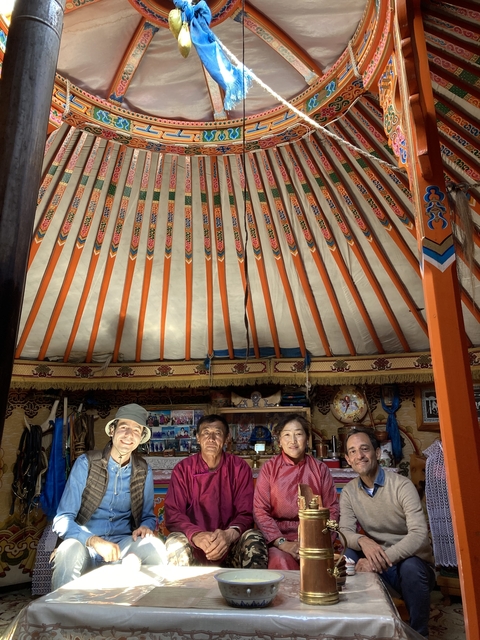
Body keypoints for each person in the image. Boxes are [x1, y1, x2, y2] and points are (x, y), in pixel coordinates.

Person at [51, 403, 167, 590]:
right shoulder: (86, 464)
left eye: (136, 430)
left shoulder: (144, 471)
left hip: (123, 545)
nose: (129, 435)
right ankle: (62, 616)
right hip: (85, 545)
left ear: (141, 438)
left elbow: (147, 516)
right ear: (112, 431)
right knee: (67, 551)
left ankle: (148, 614)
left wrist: (146, 527)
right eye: (123, 428)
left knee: (156, 549)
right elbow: (62, 519)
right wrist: (94, 541)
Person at [339, 428, 435, 638]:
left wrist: (379, 560)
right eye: (353, 452)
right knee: (349, 556)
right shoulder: (348, 492)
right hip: (380, 558)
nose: (359, 456)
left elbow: (419, 534)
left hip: (410, 562)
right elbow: (344, 532)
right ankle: (358, 627)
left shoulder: (402, 486)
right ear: (347, 459)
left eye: (364, 449)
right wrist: (363, 540)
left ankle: (419, 634)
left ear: (377, 452)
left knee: (410, 567)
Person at [164, 414, 268, 568]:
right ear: (198, 438)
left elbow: (245, 513)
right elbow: (173, 513)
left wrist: (229, 535)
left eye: (218, 433)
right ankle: (183, 591)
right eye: (206, 433)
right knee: (174, 543)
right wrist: (197, 535)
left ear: (227, 438)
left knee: (254, 538)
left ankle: (251, 591)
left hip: (230, 545)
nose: (211, 438)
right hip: (195, 544)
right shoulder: (183, 469)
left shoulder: (239, 468)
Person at [254, 413, 339, 570]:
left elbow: (332, 508)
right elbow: (260, 511)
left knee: (323, 568)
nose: (293, 441)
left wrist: (318, 541)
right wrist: (282, 543)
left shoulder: (320, 469)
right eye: (287, 435)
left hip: (316, 537)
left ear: (307, 439)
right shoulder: (269, 469)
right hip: (280, 538)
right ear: (279, 441)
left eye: (298, 434)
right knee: (280, 561)